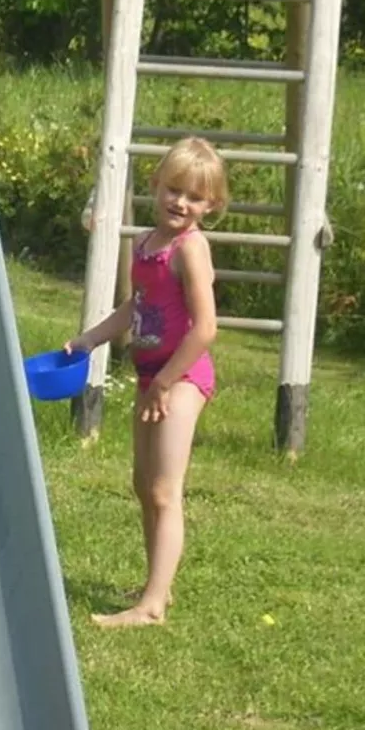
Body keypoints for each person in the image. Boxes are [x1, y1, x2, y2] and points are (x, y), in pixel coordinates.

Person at [65, 137, 228, 628]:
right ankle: (157, 584)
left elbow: (205, 328)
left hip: (181, 377)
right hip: (150, 376)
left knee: (164, 489)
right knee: (142, 485)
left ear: (211, 205)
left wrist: (166, 383)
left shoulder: (190, 249)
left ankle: (152, 605)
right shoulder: (144, 244)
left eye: (195, 198)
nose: (181, 203)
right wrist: (92, 339)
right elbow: (136, 308)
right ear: (155, 186)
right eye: (174, 190)